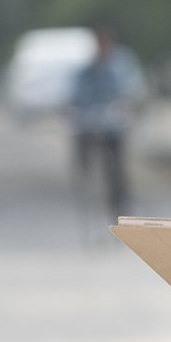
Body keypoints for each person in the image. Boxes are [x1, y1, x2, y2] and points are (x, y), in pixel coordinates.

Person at [68, 22, 146, 216]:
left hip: (113, 125)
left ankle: (120, 200)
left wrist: (128, 105)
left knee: (116, 165)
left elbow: (132, 89)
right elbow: (75, 95)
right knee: (82, 152)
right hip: (89, 124)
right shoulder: (86, 68)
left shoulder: (121, 64)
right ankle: (84, 183)